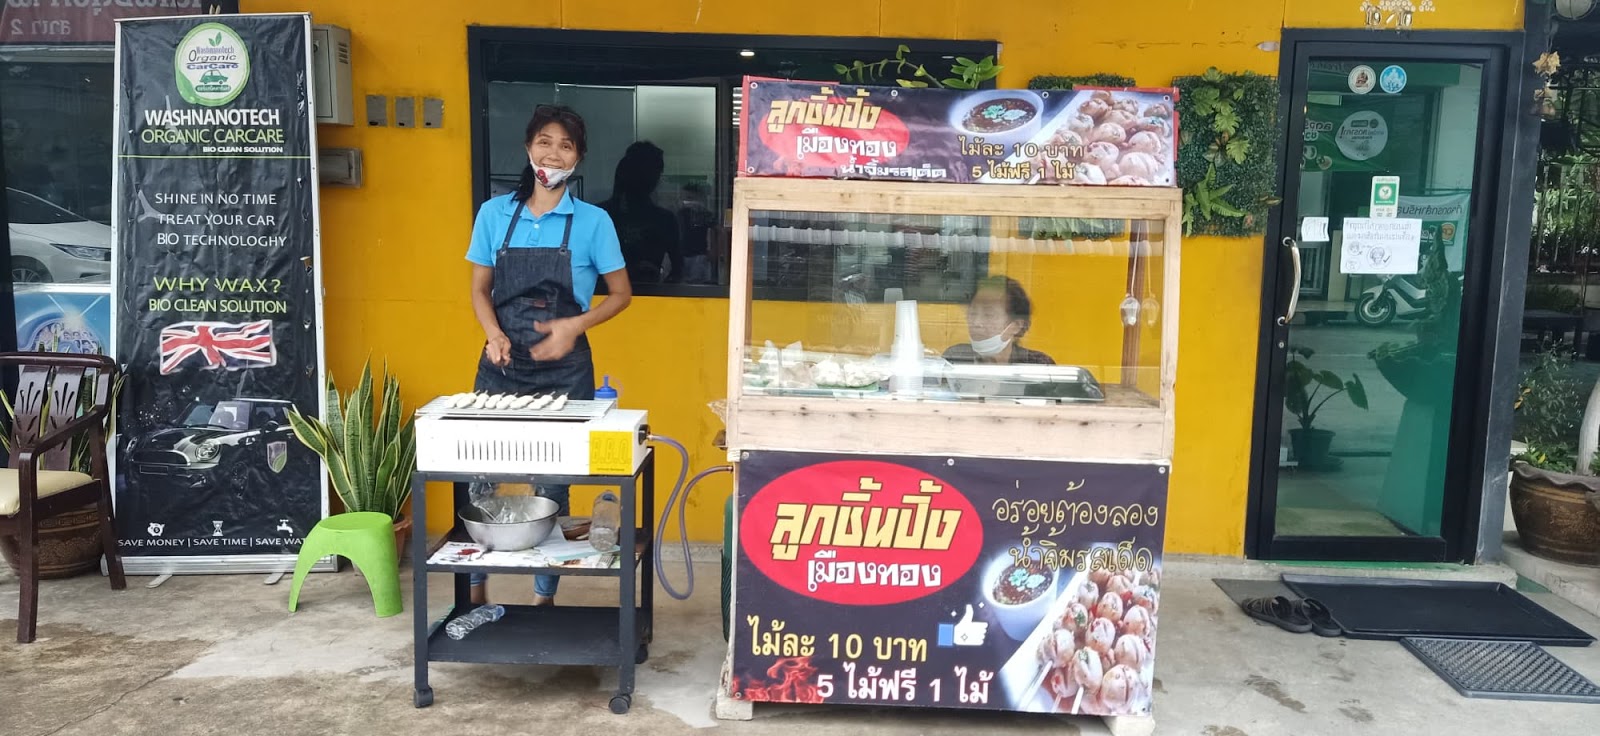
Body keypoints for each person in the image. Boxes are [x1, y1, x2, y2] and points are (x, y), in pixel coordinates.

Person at [465, 105, 632, 606]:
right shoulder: (494, 214)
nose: (553, 153)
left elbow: (621, 294)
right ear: (528, 148)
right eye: (544, 141)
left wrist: (574, 326)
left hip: (566, 369)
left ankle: (543, 598)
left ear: (578, 157)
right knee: (481, 477)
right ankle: (474, 590)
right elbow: (479, 289)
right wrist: (493, 333)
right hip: (501, 364)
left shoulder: (594, 222)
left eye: (565, 145)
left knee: (553, 484)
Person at [601, 141, 681, 284]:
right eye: (651, 173)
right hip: (605, 293)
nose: (655, 180)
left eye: (656, 173)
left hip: (651, 294)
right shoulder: (600, 217)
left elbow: (678, 271)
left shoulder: (665, 220)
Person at [943, 276, 1055, 365]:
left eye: (988, 314)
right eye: (972, 313)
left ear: (1016, 326)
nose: (976, 323)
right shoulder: (955, 357)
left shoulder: (1037, 364)